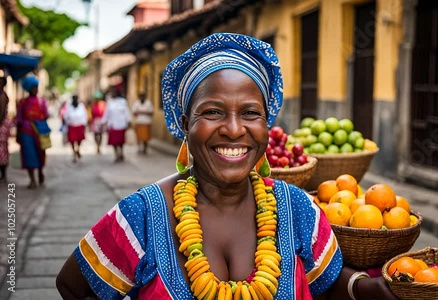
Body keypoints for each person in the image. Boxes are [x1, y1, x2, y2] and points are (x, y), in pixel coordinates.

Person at [56, 33, 398, 300]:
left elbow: (325, 282)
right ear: (186, 123)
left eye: (250, 113)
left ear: (267, 125)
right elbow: (73, 287)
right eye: (213, 112)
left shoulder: (297, 209)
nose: (234, 129)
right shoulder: (140, 216)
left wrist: (363, 288)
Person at [16, 76, 49, 189]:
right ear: (29, 88)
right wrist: (18, 134)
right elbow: (19, 119)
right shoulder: (23, 103)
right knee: (29, 155)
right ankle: (32, 180)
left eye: (37, 87)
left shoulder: (42, 102)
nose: (36, 89)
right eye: (34, 87)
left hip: (40, 132)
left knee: (41, 153)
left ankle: (40, 171)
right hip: (26, 132)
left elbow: (45, 116)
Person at [102, 86, 131, 162]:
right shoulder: (110, 102)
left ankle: (121, 153)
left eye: (114, 92)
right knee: (114, 141)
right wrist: (103, 122)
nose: (113, 94)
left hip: (121, 124)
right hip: (112, 125)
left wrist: (129, 121)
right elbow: (106, 113)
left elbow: (126, 112)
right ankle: (116, 154)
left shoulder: (123, 101)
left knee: (121, 141)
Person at [64, 94, 87, 163]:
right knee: (72, 141)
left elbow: (84, 116)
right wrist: (68, 123)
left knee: (79, 140)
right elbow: (66, 116)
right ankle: (74, 153)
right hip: (72, 126)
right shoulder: (69, 107)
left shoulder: (81, 106)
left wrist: (84, 124)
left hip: (79, 125)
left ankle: (78, 150)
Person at [0, 76, 12, 182]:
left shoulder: (2, 96)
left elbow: (2, 113)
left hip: (1, 125)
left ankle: (3, 175)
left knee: (2, 150)